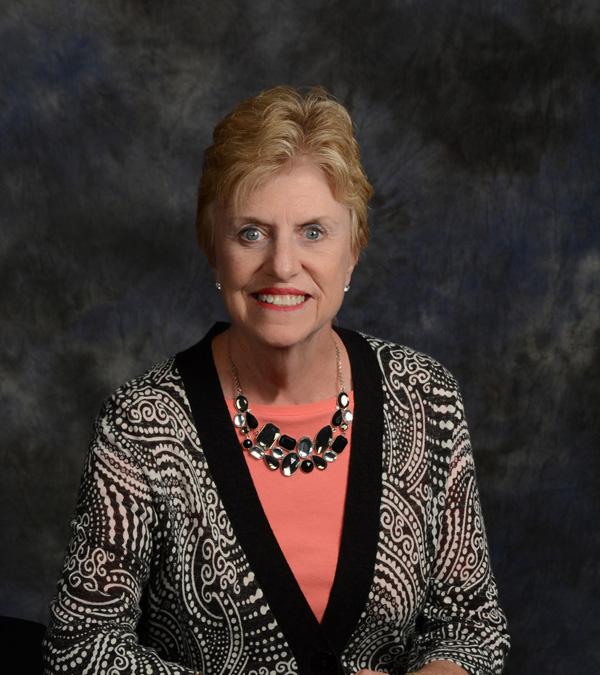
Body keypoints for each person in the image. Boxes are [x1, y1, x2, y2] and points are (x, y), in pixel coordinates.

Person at [42, 85, 510, 675]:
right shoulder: (141, 426)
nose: (283, 265)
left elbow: (470, 627)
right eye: (251, 233)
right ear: (214, 249)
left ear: (354, 249)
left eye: (313, 232)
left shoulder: (425, 396)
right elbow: (81, 649)